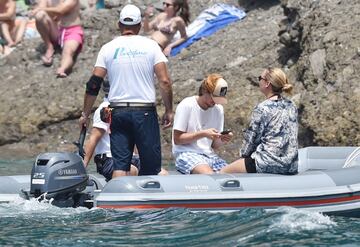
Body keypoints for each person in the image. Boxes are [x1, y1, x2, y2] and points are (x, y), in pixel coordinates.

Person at [79, 4, 173, 178]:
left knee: (121, 165)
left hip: (118, 112)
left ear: (119, 25)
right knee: (151, 167)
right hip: (143, 112)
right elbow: (165, 81)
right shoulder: (151, 46)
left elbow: (93, 84)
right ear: (139, 26)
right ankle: (150, 203)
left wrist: (85, 114)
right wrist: (168, 110)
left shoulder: (107, 48)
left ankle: (115, 203)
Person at [220, 67, 298, 175]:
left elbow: (251, 140)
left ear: (267, 83)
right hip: (291, 165)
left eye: (260, 78)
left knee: (223, 172)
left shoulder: (262, 108)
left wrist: (242, 156)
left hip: (267, 163)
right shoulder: (291, 105)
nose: (259, 80)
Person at [172, 74, 233, 174]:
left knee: (231, 177)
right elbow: (177, 139)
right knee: (209, 176)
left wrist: (223, 139)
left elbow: (214, 145)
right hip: (187, 153)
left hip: (210, 156)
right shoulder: (187, 105)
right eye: (213, 98)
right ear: (205, 91)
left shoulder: (218, 109)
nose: (215, 103)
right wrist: (203, 134)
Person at [83, 82, 140, 180]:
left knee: (162, 174)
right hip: (110, 159)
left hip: (131, 158)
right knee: (132, 170)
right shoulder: (106, 109)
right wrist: (82, 168)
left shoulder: (126, 108)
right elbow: (94, 138)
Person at [30, 0, 84, 77]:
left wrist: (41, 9)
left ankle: (62, 69)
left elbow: (61, 10)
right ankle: (49, 47)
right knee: (39, 15)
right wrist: (37, 10)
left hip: (72, 31)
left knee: (68, 52)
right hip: (58, 30)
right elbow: (40, 7)